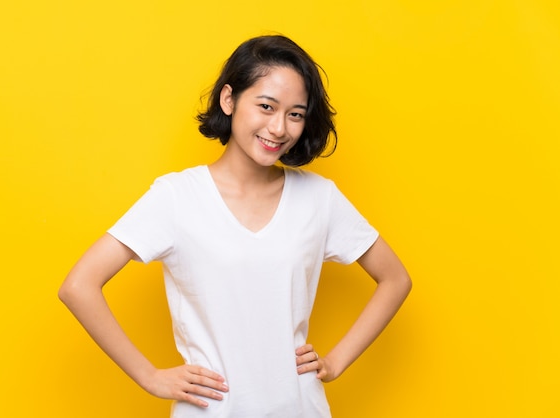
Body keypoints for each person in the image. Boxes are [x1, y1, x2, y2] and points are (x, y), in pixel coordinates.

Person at [59, 35, 412, 417]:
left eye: (295, 114)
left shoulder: (318, 198)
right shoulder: (177, 197)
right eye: (266, 106)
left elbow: (396, 279)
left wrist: (336, 361)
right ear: (229, 100)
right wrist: (149, 376)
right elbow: (78, 286)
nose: (279, 128)